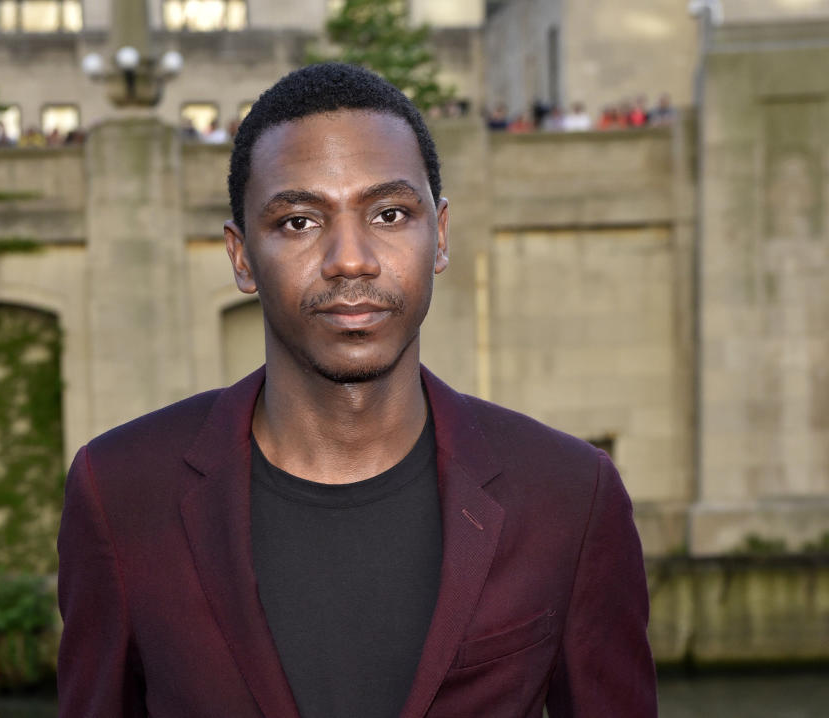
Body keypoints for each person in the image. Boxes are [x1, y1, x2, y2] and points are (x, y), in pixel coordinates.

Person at [57, 62, 657, 718]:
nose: (350, 258)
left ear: (440, 236)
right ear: (240, 257)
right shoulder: (119, 493)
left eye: (390, 213)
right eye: (299, 222)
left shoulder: (570, 496)